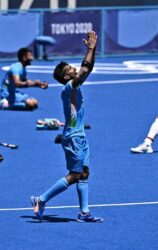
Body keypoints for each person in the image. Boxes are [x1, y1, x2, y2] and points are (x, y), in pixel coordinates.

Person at [30, 31, 103, 223]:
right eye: (70, 68)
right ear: (65, 76)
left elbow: (89, 67)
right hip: (73, 137)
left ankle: (84, 212)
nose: (74, 69)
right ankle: (41, 199)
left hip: (79, 135)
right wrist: (90, 48)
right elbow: (85, 70)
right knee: (75, 175)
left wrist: (92, 50)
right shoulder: (69, 86)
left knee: (84, 173)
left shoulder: (74, 85)